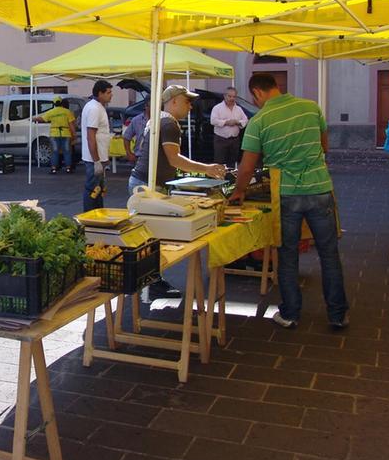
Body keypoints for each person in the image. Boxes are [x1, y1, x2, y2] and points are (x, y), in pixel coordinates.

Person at [230, 73, 349, 330]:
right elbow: (324, 147)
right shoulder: (311, 107)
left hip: (285, 194)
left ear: (257, 93)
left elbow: (247, 167)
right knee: (329, 254)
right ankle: (338, 315)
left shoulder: (259, 120)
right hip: (320, 189)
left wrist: (239, 191)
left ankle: (291, 313)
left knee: (287, 255)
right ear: (276, 87)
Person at [129, 85, 225, 196]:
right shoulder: (169, 124)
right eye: (187, 102)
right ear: (174, 101)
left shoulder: (160, 119)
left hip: (144, 182)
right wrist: (207, 168)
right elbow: (174, 159)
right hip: (148, 185)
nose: (190, 107)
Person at [82, 80, 113, 212]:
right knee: (92, 190)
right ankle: (90, 218)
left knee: (99, 190)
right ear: (100, 93)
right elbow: (91, 136)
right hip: (94, 158)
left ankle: (99, 216)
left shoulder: (98, 106)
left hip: (99, 157)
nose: (111, 95)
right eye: (108, 92)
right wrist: (96, 161)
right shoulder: (94, 108)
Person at [34, 96, 76, 174]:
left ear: (54, 103)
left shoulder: (51, 112)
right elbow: (71, 125)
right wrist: (74, 134)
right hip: (66, 133)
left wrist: (34, 119)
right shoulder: (67, 112)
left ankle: (53, 169)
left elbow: (42, 119)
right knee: (67, 151)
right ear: (61, 103)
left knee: (54, 152)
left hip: (54, 133)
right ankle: (68, 168)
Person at [210, 86, 248, 168]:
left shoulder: (239, 109)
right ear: (224, 96)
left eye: (234, 96)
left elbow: (245, 120)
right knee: (219, 162)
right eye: (229, 96)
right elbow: (213, 121)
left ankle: (231, 178)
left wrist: (238, 122)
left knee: (233, 162)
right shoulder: (217, 108)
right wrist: (226, 122)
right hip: (221, 139)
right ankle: (219, 179)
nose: (232, 98)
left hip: (234, 140)